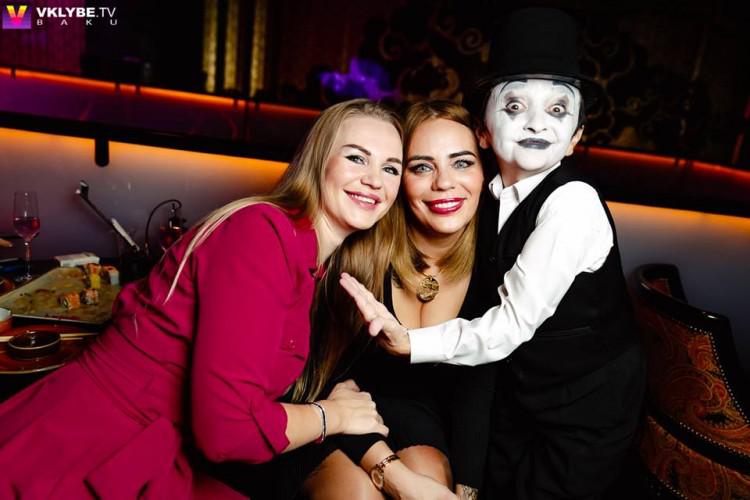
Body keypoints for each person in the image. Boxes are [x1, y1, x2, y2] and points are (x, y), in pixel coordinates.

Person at [0, 98, 402, 498]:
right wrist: (331, 416)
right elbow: (229, 432)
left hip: (149, 449)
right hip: (88, 442)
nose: (374, 180)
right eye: (356, 158)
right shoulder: (262, 233)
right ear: (318, 161)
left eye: (390, 168)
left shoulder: (313, 261)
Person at [340, 8, 646, 500]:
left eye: (557, 111)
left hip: (585, 410)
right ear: (484, 130)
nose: (536, 123)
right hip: (517, 405)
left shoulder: (573, 204)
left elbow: (507, 328)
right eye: (515, 106)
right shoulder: (484, 202)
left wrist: (409, 343)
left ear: (575, 138)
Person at [304, 101, 495, 500]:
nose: (444, 183)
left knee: (431, 477)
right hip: (332, 411)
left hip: (425, 425)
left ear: (484, 173)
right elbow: (323, 379)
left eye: (462, 163)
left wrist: (468, 491)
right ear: (399, 177)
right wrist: (390, 473)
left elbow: (480, 393)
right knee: (358, 495)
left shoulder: (500, 259)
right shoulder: (359, 244)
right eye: (422, 167)